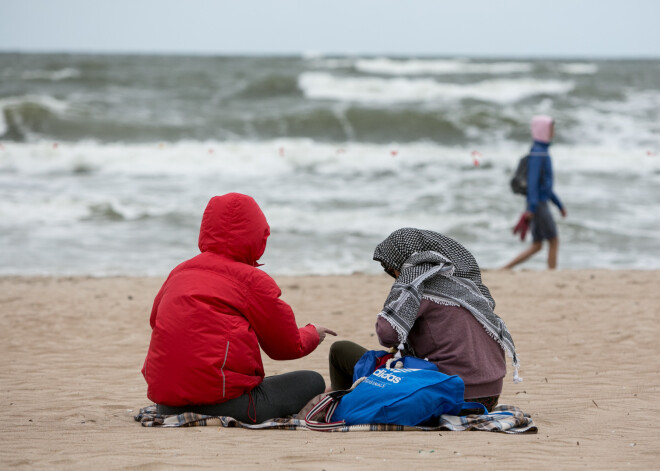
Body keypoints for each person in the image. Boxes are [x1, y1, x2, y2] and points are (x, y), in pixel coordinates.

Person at [142, 193, 336, 422]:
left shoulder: (180, 272)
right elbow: (285, 347)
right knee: (312, 381)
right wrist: (313, 332)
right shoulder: (251, 281)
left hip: (167, 404)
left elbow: (155, 320)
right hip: (225, 403)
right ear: (257, 235)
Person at [328, 228, 520, 412]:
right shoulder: (467, 288)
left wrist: (398, 293)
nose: (393, 275)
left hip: (451, 394)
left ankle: (338, 405)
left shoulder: (416, 286)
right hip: (490, 397)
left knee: (340, 350)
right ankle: (341, 395)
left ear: (401, 264)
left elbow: (387, 334)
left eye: (391, 268)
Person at [503, 115, 567, 270]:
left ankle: (504, 269)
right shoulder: (539, 154)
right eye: (551, 128)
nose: (553, 131)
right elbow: (532, 183)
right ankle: (552, 273)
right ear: (543, 130)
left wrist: (559, 204)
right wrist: (531, 208)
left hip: (538, 203)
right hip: (538, 205)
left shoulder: (541, 152)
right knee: (553, 240)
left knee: (537, 245)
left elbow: (545, 186)